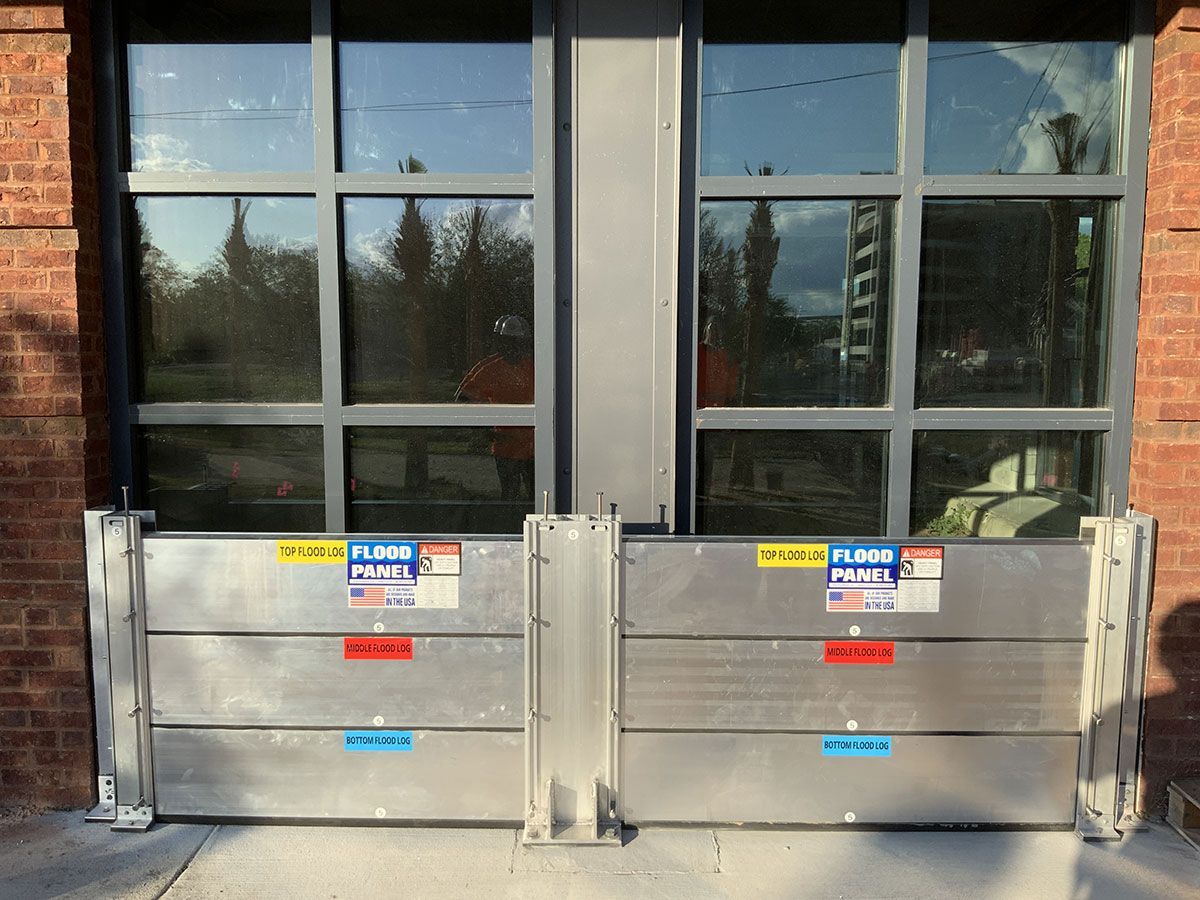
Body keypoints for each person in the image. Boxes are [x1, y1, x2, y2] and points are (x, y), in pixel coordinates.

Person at [456, 315, 534, 500]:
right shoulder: (488, 369)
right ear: (500, 341)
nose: (513, 347)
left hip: (535, 447)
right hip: (505, 447)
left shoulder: (535, 367)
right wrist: (484, 431)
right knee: (509, 496)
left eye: (517, 342)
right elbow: (463, 401)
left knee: (538, 498)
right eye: (508, 341)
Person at [697, 320, 739, 408]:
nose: (714, 333)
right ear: (706, 331)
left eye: (717, 330)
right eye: (711, 329)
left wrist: (731, 396)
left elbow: (730, 379)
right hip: (699, 405)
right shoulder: (696, 352)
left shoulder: (723, 355)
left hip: (719, 405)